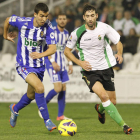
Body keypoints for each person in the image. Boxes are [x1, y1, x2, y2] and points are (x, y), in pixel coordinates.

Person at [64, 4, 133, 135]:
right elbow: (67, 51)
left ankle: (100, 109)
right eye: (87, 16)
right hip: (89, 70)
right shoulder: (77, 33)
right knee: (103, 95)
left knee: (112, 101)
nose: (90, 19)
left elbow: (118, 42)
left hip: (106, 68)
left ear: (96, 16)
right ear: (84, 17)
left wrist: (119, 53)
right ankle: (124, 125)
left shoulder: (104, 27)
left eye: (92, 16)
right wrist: (80, 63)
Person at [3, 3, 57, 132]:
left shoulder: (48, 27)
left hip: (39, 66)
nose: (44, 19)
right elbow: (7, 20)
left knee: (31, 95)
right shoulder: (23, 22)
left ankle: (14, 109)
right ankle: (47, 120)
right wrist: (5, 36)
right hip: (23, 64)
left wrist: (41, 55)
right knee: (40, 87)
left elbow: (53, 48)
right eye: (41, 16)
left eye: (46, 16)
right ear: (35, 15)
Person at [38, 13, 73, 121]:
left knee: (63, 89)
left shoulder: (67, 33)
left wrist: (70, 63)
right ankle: (42, 107)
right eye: (60, 19)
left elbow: (66, 51)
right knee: (58, 88)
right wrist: (53, 62)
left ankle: (60, 115)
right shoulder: (51, 32)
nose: (62, 21)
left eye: (64, 19)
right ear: (56, 20)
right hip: (51, 63)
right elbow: (46, 48)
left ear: (66, 21)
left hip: (62, 64)